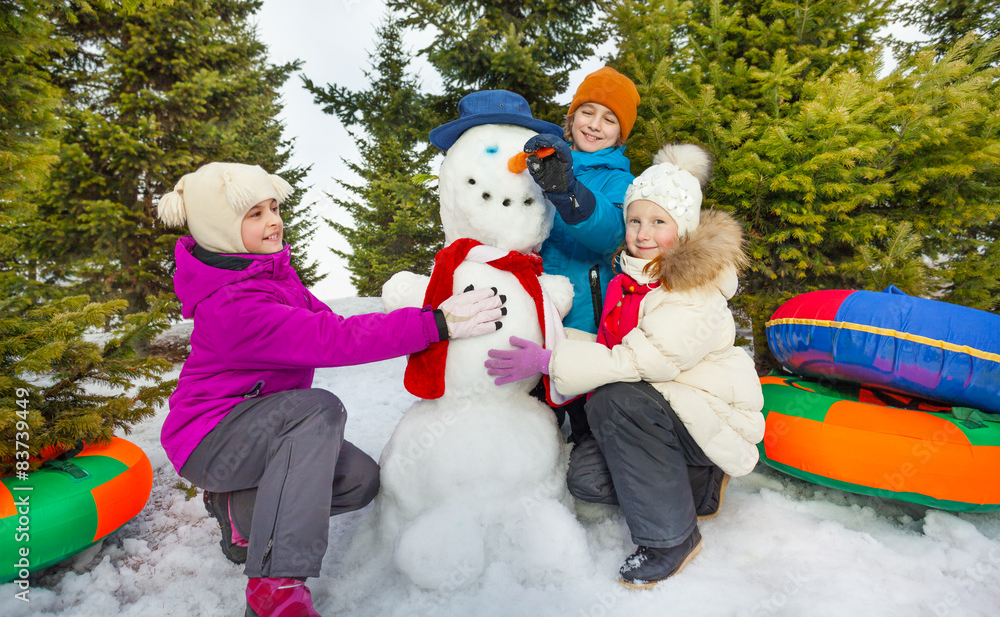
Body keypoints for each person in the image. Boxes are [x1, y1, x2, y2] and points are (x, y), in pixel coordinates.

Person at [156, 162, 505, 617]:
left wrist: (429, 316)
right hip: (210, 437)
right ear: (220, 229)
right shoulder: (232, 305)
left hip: (262, 430)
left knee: (358, 480)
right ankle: (275, 588)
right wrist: (436, 323)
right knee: (316, 410)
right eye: (254, 214)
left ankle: (239, 512)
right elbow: (332, 340)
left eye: (274, 208)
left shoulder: (271, 274)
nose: (273, 221)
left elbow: (333, 323)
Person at [485, 144, 765, 588]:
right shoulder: (628, 280)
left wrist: (550, 360)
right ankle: (698, 486)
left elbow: (638, 360)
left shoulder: (693, 290)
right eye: (635, 220)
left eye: (658, 222)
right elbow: (609, 344)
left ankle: (671, 539)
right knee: (589, 481)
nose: (643, 232)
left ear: (685, 229)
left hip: (708, 416)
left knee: (615, 401)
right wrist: (547, 340)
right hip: (671, 415)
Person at [518, 66, 641, 441]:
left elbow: (613, 234)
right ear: (571, 118)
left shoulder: (620, 180)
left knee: (584, 414)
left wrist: (568, 192)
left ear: (620, 134)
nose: (595, 125)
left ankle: (590, 469)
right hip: (535, 311)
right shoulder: (543, 160)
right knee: (533, 412)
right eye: (588, 112)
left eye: (609, 119)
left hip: (584, 321)